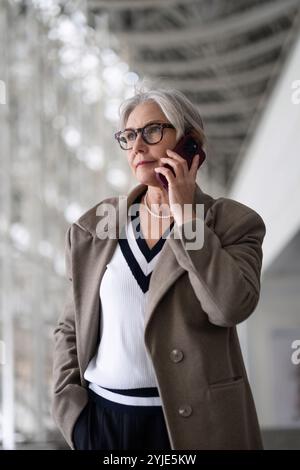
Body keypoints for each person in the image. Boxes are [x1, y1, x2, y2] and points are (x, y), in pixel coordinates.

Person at [52, 87, 266, 450]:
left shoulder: (234, 223)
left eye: (152, 131)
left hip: (199, 427)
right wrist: (71, 413)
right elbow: (71, 326)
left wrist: (186, 219)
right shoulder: (96, 227)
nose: (137, 147)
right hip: (105, 423)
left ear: (190, 143)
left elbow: (229, 306)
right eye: (129, 136)